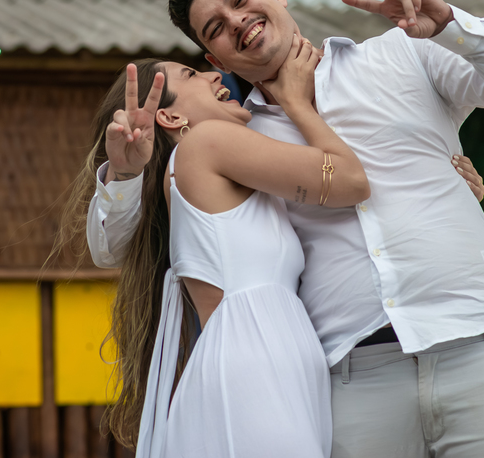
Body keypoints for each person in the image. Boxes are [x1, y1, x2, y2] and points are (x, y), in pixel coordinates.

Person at [86, 0, 484, 457]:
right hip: (351, 382)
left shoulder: (402, 53)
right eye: (215, 29)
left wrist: (450, 24)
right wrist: (125, 175)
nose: (236, 21)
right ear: (218, 60)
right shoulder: (236, 137)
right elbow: (114, 246)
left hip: (478, 345)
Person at [69, 37, 368, 457]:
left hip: (272, 356)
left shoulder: (218, 160)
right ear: (171, 116)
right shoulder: (208, 142)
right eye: (191, 74)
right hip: (255, 360)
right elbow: (351, 182)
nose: (214, 76)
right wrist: (297, 104)